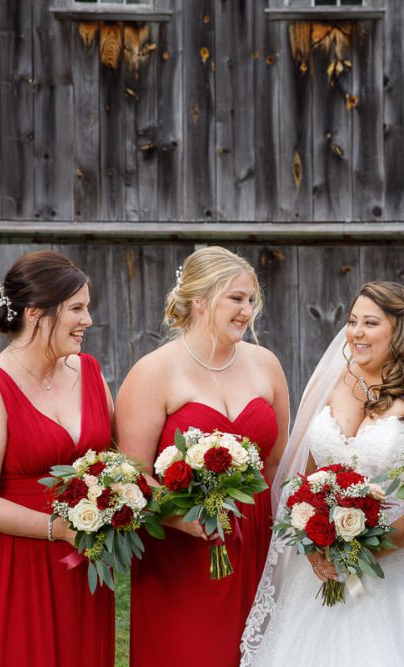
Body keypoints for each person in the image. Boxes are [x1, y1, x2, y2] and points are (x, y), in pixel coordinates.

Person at [240, 281, 404, 667]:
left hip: (393, 565)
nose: (356, 332)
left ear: (399, 330)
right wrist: (314, 543)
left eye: (370, 323)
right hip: (322, 571)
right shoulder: (330, 382)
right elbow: (301, 477)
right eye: (353, 321)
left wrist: (372, 547)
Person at [116, 246, 289, 667]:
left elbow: (277, 461)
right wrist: (182, 517)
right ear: (199, 300)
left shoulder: (266, 364)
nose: (247, 311)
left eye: (251, 300)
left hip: (255, 539)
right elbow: (131, 477)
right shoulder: (154, 372)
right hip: (182, 549)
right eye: (236, 299)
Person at [0, 250, 114, 667]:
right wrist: (62, 530)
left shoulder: (90, 373)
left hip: (80, 565)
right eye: (76, 308)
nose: (88, 320)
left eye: (87, 308)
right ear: (36, 313)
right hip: (11, 565)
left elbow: (117, 464)